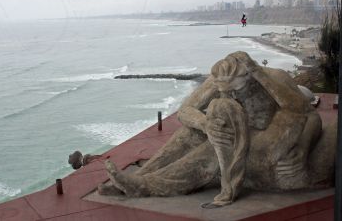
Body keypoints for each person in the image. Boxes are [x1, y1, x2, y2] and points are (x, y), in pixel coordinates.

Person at [99, 51, 334, 207]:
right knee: (187, 134)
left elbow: (310, 117)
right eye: (225, 91)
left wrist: (302, 150)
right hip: (235, 129)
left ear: (251, 77)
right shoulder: (220, 82)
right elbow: (185, 111)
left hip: (265, 139)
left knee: (212, 150)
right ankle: (138, 177)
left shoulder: (274, 79)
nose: (229, 95)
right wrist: (204, 123)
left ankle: (145, 186)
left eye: (236, 91)